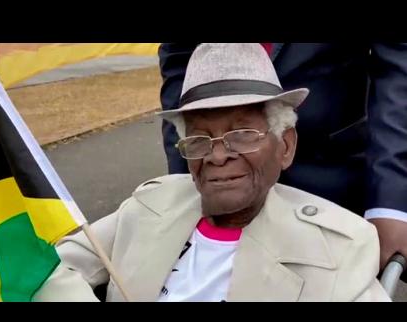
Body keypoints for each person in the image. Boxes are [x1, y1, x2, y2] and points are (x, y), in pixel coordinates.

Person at [33, 44, 389, 302]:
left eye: (243, 134)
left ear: (285, 145)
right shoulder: (151, 204)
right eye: (200, 139)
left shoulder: (339, 246)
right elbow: (42, 267)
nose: (218, 156)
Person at [159, 43, 407, 274]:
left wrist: (390, 202)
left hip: (330, 175)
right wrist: (186, 182)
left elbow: (397, 65)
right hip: (220, 194)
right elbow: (180, 59)